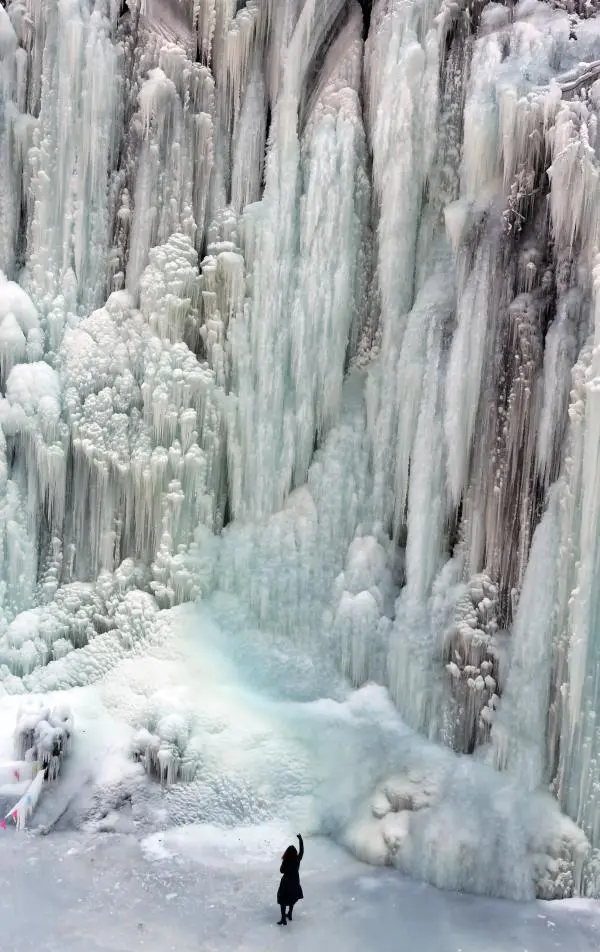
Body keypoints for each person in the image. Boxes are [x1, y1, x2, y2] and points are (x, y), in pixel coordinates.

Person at [276, 833, 304, 925]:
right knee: (292, 898)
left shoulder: (286, 861)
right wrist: (300, 839)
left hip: (286, 883)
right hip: (295, 882)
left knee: (283, 901)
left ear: (287, 853)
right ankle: (290, 914)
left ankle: (283, 918)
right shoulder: (297, 860)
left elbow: (281, 871)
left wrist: (284, 863)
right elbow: (302, 851)